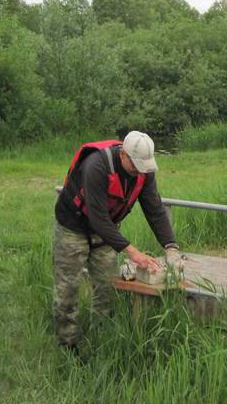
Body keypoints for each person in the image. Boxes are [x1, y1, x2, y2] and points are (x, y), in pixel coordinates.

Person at [52, 131, 180, 351]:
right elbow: (98, 218)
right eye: (136, 165)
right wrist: (133, 252)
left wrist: (171, 246)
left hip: (105, 231)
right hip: (73, 226)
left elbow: (155, 210)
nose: (141, 170)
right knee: (67, 290)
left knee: (106, 288)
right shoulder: (96, 167)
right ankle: (67, 345)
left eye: (144, 165)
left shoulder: (144, 171)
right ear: (123, 155)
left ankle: (101, 342)